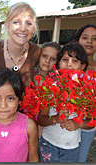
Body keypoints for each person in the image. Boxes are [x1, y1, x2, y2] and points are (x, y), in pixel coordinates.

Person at [38, 42, 93, 163]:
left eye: (75, 61)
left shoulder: (86, 91)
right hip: (48, 144)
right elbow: (41, 118)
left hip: (71, 148)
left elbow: (92, 122)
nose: (69, 64)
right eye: (65, 59)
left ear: (82, 66)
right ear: (58, 63)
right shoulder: (50, 87)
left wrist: (77, 124)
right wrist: (55, 119)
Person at [0, 2, 41, 88]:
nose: (22, 29)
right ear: (7, 25)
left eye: (28, 23)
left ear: (34, 29)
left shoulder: (37, 52)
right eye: (16, 22)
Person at [73, 24, 96, 162]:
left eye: (94, 39)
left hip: (86, 126)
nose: (89, 42)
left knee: (80, 160)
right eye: (85, 37)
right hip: (64, 121)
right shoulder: (68, 64)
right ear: (77, 41)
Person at [32, 42, 61, 139]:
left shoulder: (56, 83)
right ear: (38, 57)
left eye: (52, 59)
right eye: (44, 56)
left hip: (46, 130)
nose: (47, 61)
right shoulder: (28, 77)